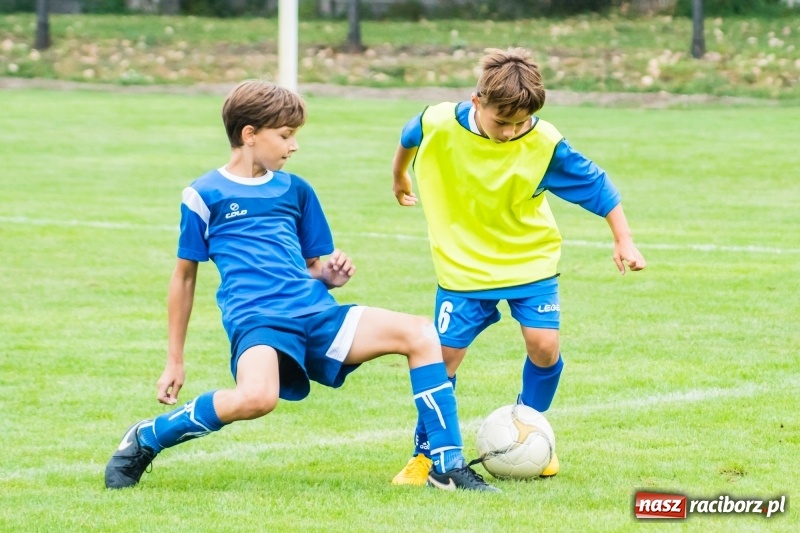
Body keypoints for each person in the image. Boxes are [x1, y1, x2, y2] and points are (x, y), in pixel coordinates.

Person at [104, 80, 498, 493]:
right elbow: (184, 277)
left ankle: (446, 465)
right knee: (257, 399)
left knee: (420, 333)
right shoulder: (204, 194)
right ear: (249, 134)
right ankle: (148, 436)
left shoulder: (296, 190)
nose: (293, 146)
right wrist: (175, 361)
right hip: (259, 322)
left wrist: (328, 277)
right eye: (285, 135)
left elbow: (310, 269)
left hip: (314, 312)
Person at [389, 48, 647, 485]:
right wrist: (399, 175)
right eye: (501, 122)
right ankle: (425, 456)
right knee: (442, 360)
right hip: (463, 266)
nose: (510, 132)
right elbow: (408, 136)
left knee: (544, 347)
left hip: (530, 259)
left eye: (521, 123)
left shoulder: (545, 142)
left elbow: (597, 183)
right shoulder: (438, 121)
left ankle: (531, 434)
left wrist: (623, 239)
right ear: (477, 102)